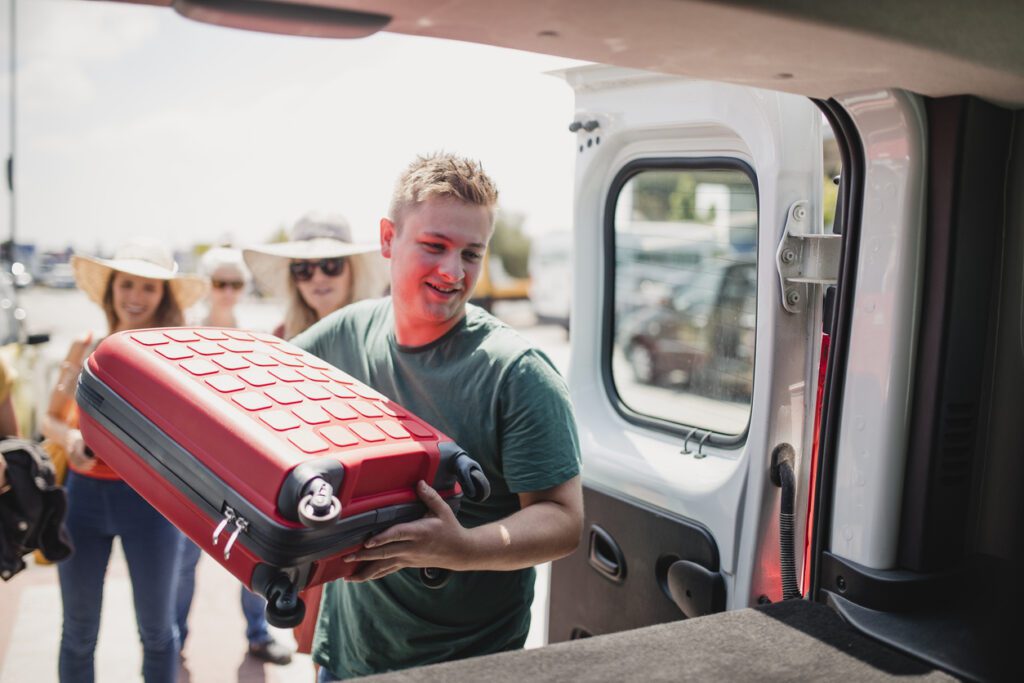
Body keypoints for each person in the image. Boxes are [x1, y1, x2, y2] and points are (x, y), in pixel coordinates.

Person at [292, 153, 584, 680]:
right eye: (434, 246)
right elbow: (260, 386)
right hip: (348, 658)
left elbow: (564, 521)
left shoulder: (516, 374)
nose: (453, 272)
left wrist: (463, 548)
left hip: (468, 664)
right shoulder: (346, 333)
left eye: (472, 253)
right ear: (388, 239)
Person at [42, 243, 205, 683]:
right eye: (126, 284)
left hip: (151, 504)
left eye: (148, 287)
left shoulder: (175, 354)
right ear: (111, 289)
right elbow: (49, 418)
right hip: (82, 500)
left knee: (157, 633)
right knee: (77, 632)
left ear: (163, 295)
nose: (135, 295)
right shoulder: (82, 347)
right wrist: (72, 437)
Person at [173, 246, 294, 665]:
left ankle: (258, 635)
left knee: (250, 559)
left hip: (241, 470)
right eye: (219, 283)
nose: (227, 291)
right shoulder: (183, 334)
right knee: (183, 562)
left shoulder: (255, 337)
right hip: (193, 465)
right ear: (205, 286)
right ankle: (176, 640)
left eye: (235, 283)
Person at [243, 213, 389, 340]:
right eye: (303, 269)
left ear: (353, 270)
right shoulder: (281, 338)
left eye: (331, 265)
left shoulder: (379, 335)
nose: (318, 278)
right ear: (293, 279)